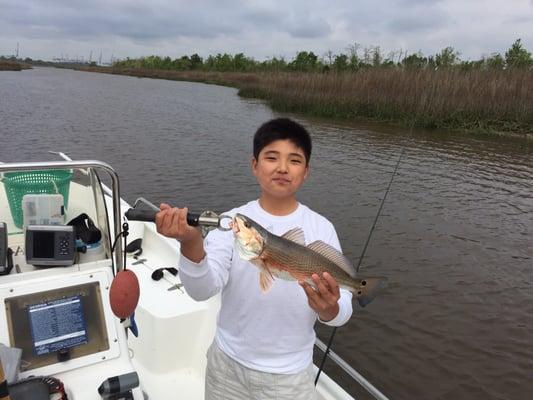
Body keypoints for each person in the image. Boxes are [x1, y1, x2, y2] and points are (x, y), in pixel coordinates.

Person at [155, 118, 353, 399]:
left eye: (294, 160)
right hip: (226, 369)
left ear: (306, 171)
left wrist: (328, 309)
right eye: (272, 157)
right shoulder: (232, 222)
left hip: (290, 378)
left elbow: (342, 313)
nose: (282, 168)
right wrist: (191, 242)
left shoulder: (321, 229)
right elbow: (202, 290)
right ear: (255, 165)